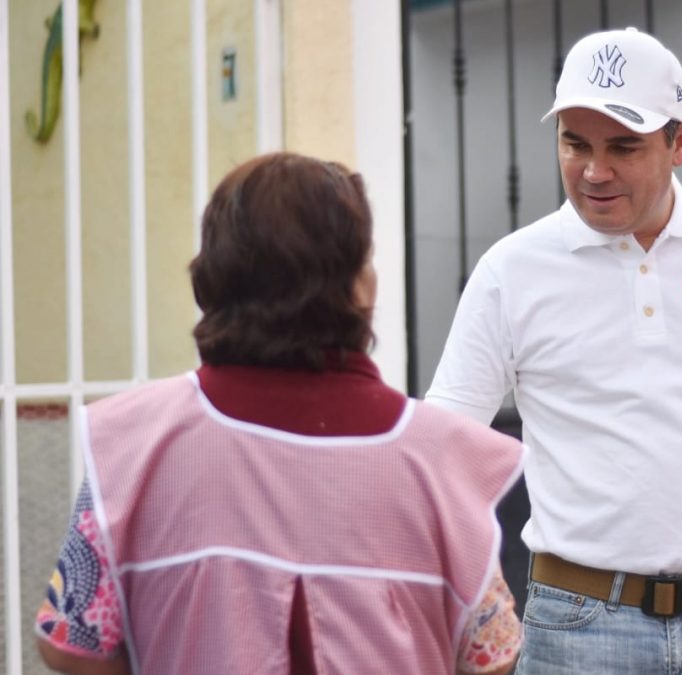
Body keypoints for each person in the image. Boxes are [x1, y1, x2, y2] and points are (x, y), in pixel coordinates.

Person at [427, 27, 682, 674]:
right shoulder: (509, 271)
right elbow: (443, 457)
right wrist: (472, 604)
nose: (594, 171)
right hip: (576, 629)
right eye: (575, 143)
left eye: (623, 146)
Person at [34, 152, 525, 675]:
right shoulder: (435, 457)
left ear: (212, 278)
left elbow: (70, 639)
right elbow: (490, 653)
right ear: (357, 286)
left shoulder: (138, 443)